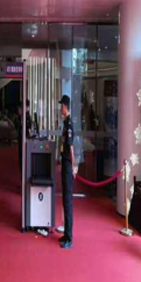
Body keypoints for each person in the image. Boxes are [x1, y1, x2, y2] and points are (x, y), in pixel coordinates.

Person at [58, 94, 76, 249]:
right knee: (65, 199)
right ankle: (65, 233)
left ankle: (69, 237)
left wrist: (73, 166)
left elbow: (70, 147)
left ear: (65, 106)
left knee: (68, 201)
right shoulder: (65, 123)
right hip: (64, 162)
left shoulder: (69, 124)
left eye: (61, 106)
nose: (60, 108)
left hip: (68, 164)